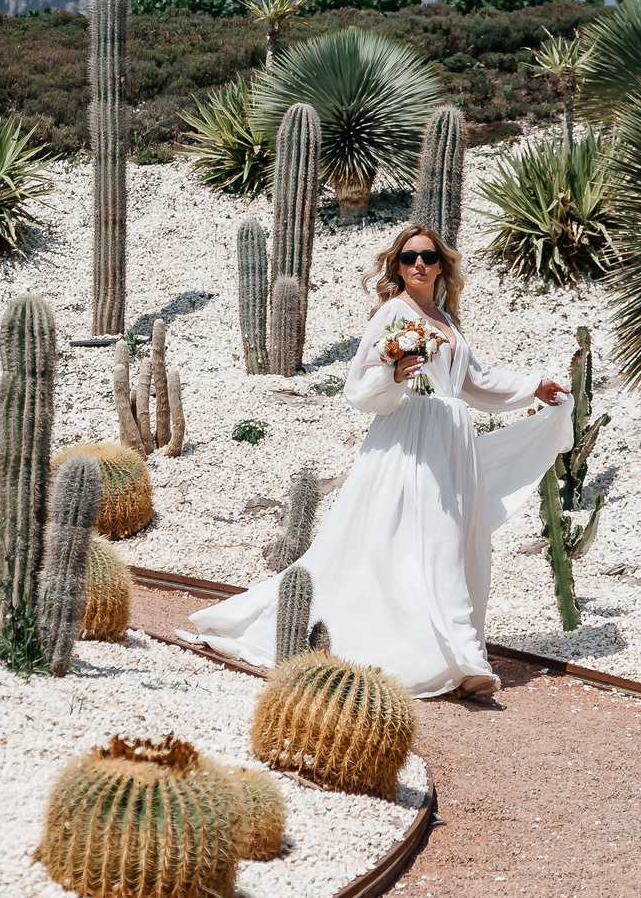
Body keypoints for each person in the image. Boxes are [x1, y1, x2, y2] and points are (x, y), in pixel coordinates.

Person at [189, 221, 569, 697]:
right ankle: (465, 657)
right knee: (435, 539)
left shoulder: (446, 320)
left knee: (454, 539)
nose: (419, 264)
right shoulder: (392, 312)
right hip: (411, 438)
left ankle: (446, 649)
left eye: (428, 257)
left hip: (452, 440)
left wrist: (533, 386)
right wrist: (397, 375)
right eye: (409, 258)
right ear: (398, 266)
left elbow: (475, 382)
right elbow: (358, 387)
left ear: (441, 266)